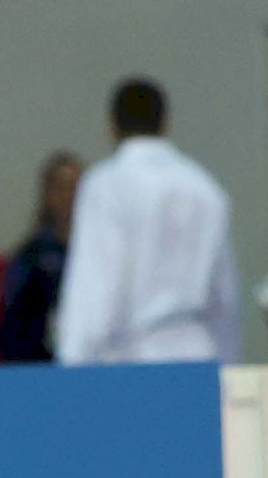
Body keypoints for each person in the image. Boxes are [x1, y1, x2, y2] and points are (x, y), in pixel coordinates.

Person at [54, 78, 239, 366]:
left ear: (111, 127)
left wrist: (73, 360)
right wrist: (229, 363)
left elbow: (95, 284)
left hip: (132, 356)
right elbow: (223, 295)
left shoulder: (107, 185)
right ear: (166, 124)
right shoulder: (205, 189)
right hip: (196, 352)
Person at [0, 152, 82, 366]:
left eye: (76, 187)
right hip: (40, 366)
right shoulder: (30, 257)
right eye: (62, 187)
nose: (69, 196)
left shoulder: (102, 254)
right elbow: (12, 325)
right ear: (47, 193)